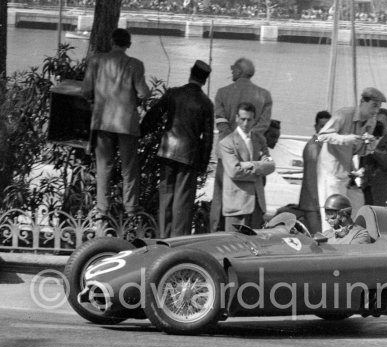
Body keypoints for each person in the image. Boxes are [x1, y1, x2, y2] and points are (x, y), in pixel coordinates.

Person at [82, 28, 150, 222]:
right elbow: (143, 93)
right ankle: (130, 208)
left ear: (112, 42)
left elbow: (86, 91)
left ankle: (102, 209)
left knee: (104, 165)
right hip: (126, 124)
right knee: (129, 167)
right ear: (128, 44)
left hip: (102, 121)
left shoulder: (95, 61)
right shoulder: (135, 64)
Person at [140, 60, 214, 237]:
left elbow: (154, 115)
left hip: (166, 152)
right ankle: (177, 241)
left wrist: (140, 133)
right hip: (189, 157)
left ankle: (163, 238)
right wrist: (203, 166)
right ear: (205, 80)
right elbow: (208, 138)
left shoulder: (173, 94)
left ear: (190, 73)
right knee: (183, 202)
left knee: (166, 197)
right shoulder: (206, 103)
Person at [210, 57, 273, 232]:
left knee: (221, 198)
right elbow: (262, 126)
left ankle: (216, 232)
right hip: (254, 154)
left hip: (227, 154)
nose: (231, 71)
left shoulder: (222, 93)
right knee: (254, 195)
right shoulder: (265, 95)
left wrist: (234, 141)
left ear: (238, 71)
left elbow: (220, 123)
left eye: (233, 68)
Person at [316, 87, 386, 228]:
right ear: (362, 102)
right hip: (331, 174)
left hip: (346, 175)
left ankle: (347, 245)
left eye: (378, 107)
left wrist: (371, 145)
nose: (376, 111)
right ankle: (330, 246)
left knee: (355, 214)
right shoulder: (343, 115)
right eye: (374, 106)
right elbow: (322, 136)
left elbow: (361, 152)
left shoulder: (371, 123)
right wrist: (345, 139)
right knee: (333, 219)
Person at [219, 102, 275, 231]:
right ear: (237, 118)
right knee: (235, 247)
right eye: (243, 119)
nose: (245, 123)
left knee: (255, 247)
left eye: (249, 120)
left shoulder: (260, 140)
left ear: (254, 120)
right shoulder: (227, 143)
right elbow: (234, 171)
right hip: (237, 205)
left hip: (257, 205)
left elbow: (271, 164)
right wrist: (260, 167)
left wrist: (249, 165)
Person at [359, 108, 387, 206]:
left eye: (381, 123)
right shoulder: (367, 140)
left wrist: (374, 151)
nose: (378, 126)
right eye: (376, 122)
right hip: (366, 193)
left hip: (384, 195)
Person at [297, 110, 331, 234]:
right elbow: (311, 179)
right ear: (316, 127)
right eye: (322, 126)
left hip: (316, 204)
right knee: (318, 238)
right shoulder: (314, 147)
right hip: (313, 205)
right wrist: (319, 204)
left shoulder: (321, 144)